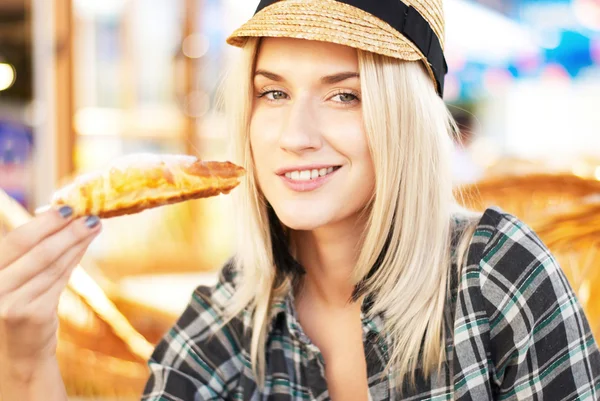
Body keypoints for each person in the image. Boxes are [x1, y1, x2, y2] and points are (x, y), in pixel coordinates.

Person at [1, 0, 599, 400]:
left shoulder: (496, 274)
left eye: (345, 96)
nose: (294, 135)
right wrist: (27, 356)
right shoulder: (231, 320)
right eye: (273, 92)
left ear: (403, 118)